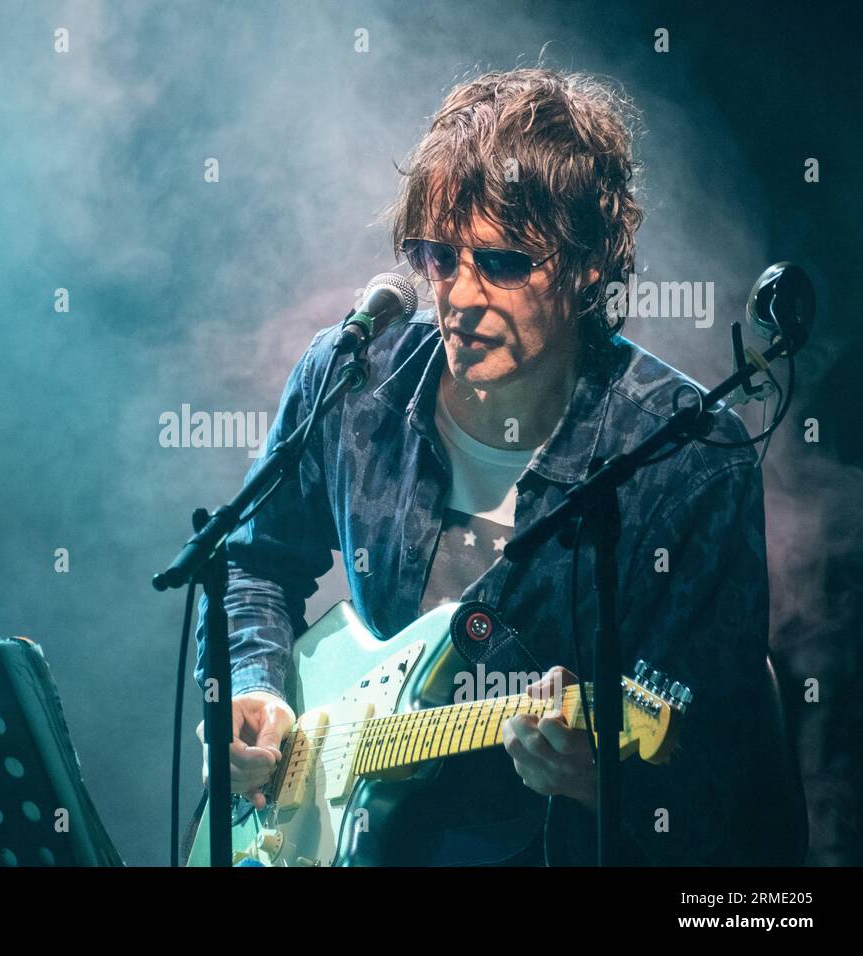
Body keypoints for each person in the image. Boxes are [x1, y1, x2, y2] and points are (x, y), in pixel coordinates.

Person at [193, 67, 771, 865]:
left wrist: (608, 783)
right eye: (438, 257)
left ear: (588, 262)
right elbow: (251, 560)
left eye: (502, 263)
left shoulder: (687, 459)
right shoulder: (353, 381)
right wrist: (254, 687)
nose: (459, 298)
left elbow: (722, 767)